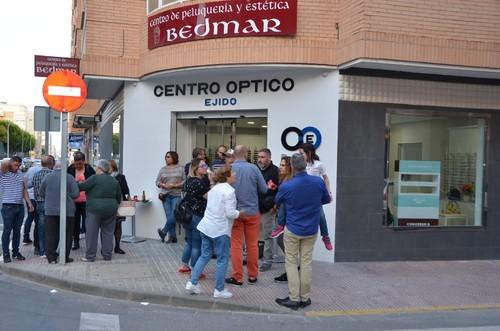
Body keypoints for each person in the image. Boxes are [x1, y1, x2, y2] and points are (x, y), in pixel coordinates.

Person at [275, 153, 331, 310]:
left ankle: (294, 298)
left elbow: (277, 201)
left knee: (291, 262)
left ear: (292, 166)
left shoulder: (287, 185)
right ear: (305, 164)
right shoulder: (318, 182)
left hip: (293, 229)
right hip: (311, 229)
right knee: (306, 263)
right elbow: (326, 199)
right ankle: (305, 298)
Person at [185, 166, 244, 298]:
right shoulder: (229, 192)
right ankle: (219, 290)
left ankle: (192, 282)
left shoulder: (214, 188)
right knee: (222, 259)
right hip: (220, 230)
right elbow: (230, 213)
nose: (235, 174)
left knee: (204, 255)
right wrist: (240, 213)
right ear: (227, 176)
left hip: (206, 226)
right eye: (232, 173)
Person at [225, 145, 268, 286]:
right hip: (252, 211)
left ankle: (237, 277)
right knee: (252, 245)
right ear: (246, 154)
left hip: (236, 213)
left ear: (234, 155)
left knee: (236, 245)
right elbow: (264, 189)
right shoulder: (254, 168)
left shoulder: (230, 170)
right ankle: (252, 276)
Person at [79, 159, 122, 262]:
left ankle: (90, 256)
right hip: (110, 209)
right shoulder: (114, 181)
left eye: (96, 167)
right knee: (108, 232)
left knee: (92, 233)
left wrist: (79, 182)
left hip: (94, 209)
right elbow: (118, 196)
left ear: (100, 168)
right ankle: (107, 255)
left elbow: (81, 187)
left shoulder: (94, 178)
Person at [40, 161, 80, 264]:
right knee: (67, 235)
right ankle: (64, 256)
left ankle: (51, 258)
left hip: (50, 210)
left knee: (50, 234)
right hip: (68, 211)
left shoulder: (47, 177)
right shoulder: (69, 177)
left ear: (54, 167)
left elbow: (41, 192)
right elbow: (76, 194)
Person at [298, 143, 333, 251]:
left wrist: (329, 192)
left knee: (321, 216)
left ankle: (325, 236)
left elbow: (326, 179)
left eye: (301, 153)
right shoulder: (300, 165)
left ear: (308, 153)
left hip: (314, 196)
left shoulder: (319, 165)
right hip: (302, 195)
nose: (299, 155)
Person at [179, 159, 210, 275]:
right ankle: (195, 269)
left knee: (189, 241)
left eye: (205, 165)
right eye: (203, 165)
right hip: (197, 216)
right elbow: (209, 197)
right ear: (196, 168)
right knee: (197, 244)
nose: (205, 167)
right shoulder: (199, 183)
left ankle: (184, 265)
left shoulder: (188, 181)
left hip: (186, 215)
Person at [1, 156, 34, 263]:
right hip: (8, 206)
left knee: (17, 231)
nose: (17, 167)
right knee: (7, 230)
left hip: (19, 206)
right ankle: (6, 253)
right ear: (10, 163)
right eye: (15, 165)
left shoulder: (20, 174)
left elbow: (24, 190)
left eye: (19, 165)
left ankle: (16, 252)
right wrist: (9, 163)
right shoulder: (3, 172)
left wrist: (29, 203)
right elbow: (3, 163)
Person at [256, 148, 279, 272]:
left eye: (263, 157)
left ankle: (267, 261)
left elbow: (280, 190)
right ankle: (252, 258)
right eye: (259, 157)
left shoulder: (276, 171)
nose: (260, 159)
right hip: (254, 207)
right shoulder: (255, 169)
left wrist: (275, 205)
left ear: (269, 158)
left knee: (267, 235)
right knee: (252, 235)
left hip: (268, 209)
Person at [67, 151, 95, 250]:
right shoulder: (70, 169)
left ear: (84, 162)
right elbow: (66, 182)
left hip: (86, 200)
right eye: (76, 163)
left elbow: (94, 182)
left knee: (87, 222)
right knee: (75, 222)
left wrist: (85, 183)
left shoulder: (89, 169)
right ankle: (76, 243)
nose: (78, 166)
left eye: (80, 163)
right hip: (74, 200)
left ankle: (88, 243)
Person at [271, 155, 293, 282]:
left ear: (290, 167)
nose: (280, 167)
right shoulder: (284, 179)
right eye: (280, 164)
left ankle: (291, 270)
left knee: (284, 242)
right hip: (282, 215)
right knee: (282, 241)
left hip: (287, 218)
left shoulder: (290, 181)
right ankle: (292, 267)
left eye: (283, 165)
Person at [156, 151, 185, 243]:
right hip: (165, 196)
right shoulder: (163, 169)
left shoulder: (181, 168)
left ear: (174, 158)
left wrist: (174, 185)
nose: (166, 158)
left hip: (176, 195)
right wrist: (164, 185)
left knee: (174, 215)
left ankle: (164, 231)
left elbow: (185, 181)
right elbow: (157, 182)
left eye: (168, 157)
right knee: (169, 216)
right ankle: (173, 237)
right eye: (166, 157)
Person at [32, 155, 56, 258]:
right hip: (50, 204)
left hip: (39, 204)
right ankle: (51, 249)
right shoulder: (52, 174)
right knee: (52, 228)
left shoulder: (36, 175)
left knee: (41, 228)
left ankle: (42, 251)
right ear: (51, 164)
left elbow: (34, 190)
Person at [109, 159, 130, 254]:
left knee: (118, 225)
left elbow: (126, 190)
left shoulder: (120, 177)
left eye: (108, 166)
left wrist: (127, 202)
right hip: (107, 204)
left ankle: (117, 246)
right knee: (108, 226)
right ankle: (107, 247)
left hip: (119, 204)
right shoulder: (104, 177)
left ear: (113, 167)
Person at [23, 161, 41, 247]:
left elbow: (26, 184)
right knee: (38, 220)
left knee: (29, 217)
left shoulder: (29, 170)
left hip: (29, 197)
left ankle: (25, 238)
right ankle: (37, 241)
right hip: (37, 197)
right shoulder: (41, 170)